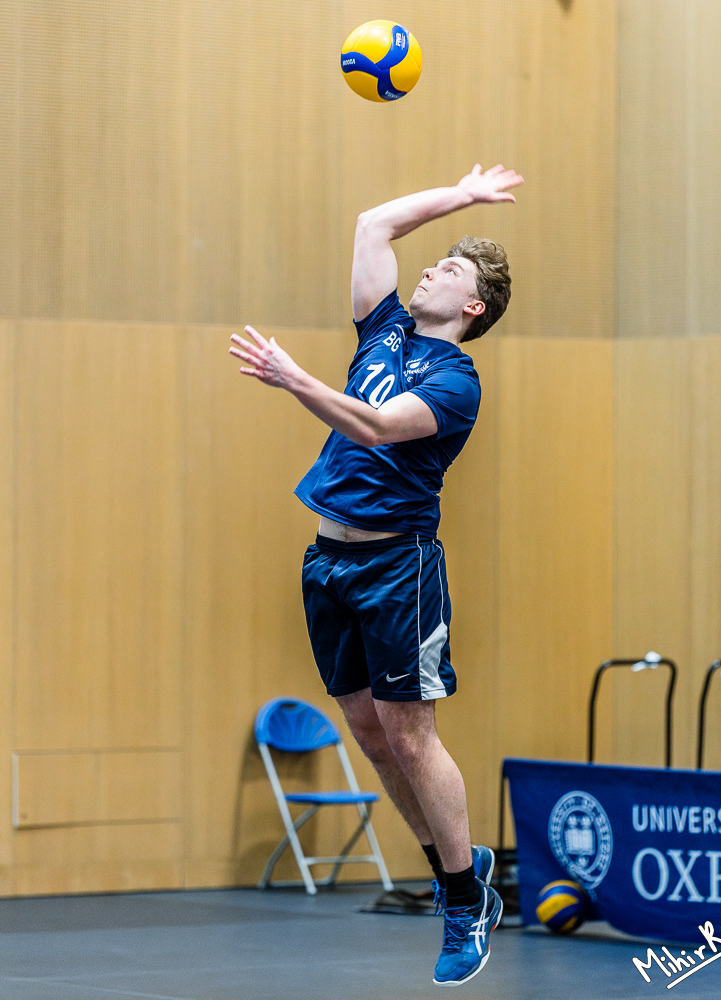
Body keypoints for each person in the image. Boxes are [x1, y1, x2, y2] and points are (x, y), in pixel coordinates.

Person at [229, 163, 523, 987]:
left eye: (451, 270)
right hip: (328, 561)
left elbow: (370, 425)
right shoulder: (383, 333)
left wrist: (295, 380)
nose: (430, 267)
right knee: (368, 730)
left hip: (398, 567)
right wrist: (460, 196)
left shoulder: (455, 382)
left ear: (473, 309)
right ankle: (450, 874)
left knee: (410, 734)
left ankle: (466, 899)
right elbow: (372, 224)